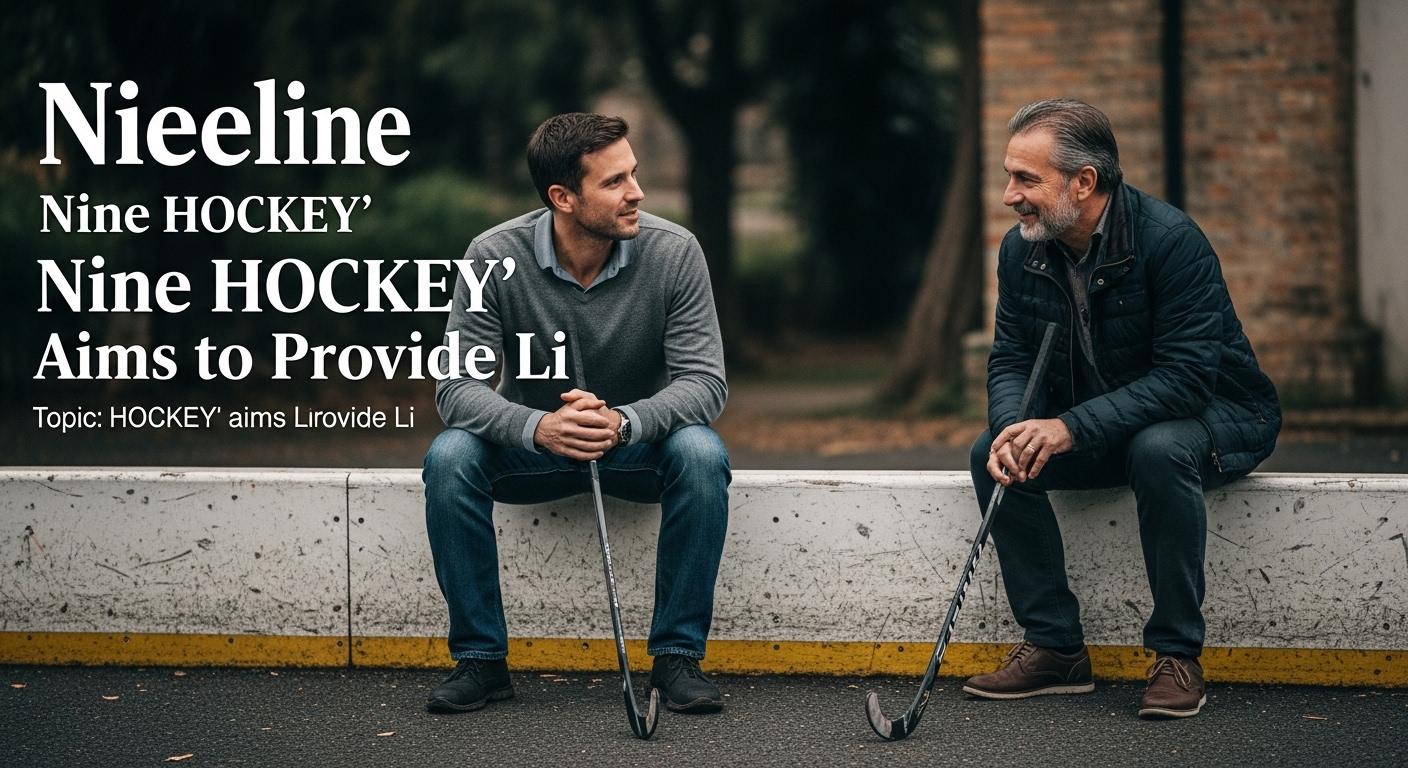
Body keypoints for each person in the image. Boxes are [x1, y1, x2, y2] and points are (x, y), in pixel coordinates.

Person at [963, 99, 1281, 718]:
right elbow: (1010, 361)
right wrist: (1012, 429)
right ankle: (1056, 649)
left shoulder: (1171, 243)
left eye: (1026, 179)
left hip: (1218, 415)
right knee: (988, 454)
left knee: (1158, 447)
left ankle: (1177, 655)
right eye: (1009, 176)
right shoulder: (1021, 251)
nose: (1009, 196)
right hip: (1105, 425)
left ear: (1083, 183)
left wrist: (1069, 427)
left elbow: (1189, 380)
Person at [422, 113, 730, 715]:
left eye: (633, 175)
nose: (637, 192)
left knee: (701, 451)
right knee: (450, 455)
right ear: (562, 197)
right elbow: (456, 386)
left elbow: (705, 381)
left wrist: (624, 421)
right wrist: (538, 427)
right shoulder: (491, 255)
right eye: (615, 183)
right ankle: (481, 662)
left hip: (634, 443)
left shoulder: (674, 252)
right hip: (535, 447)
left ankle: (677, 659)